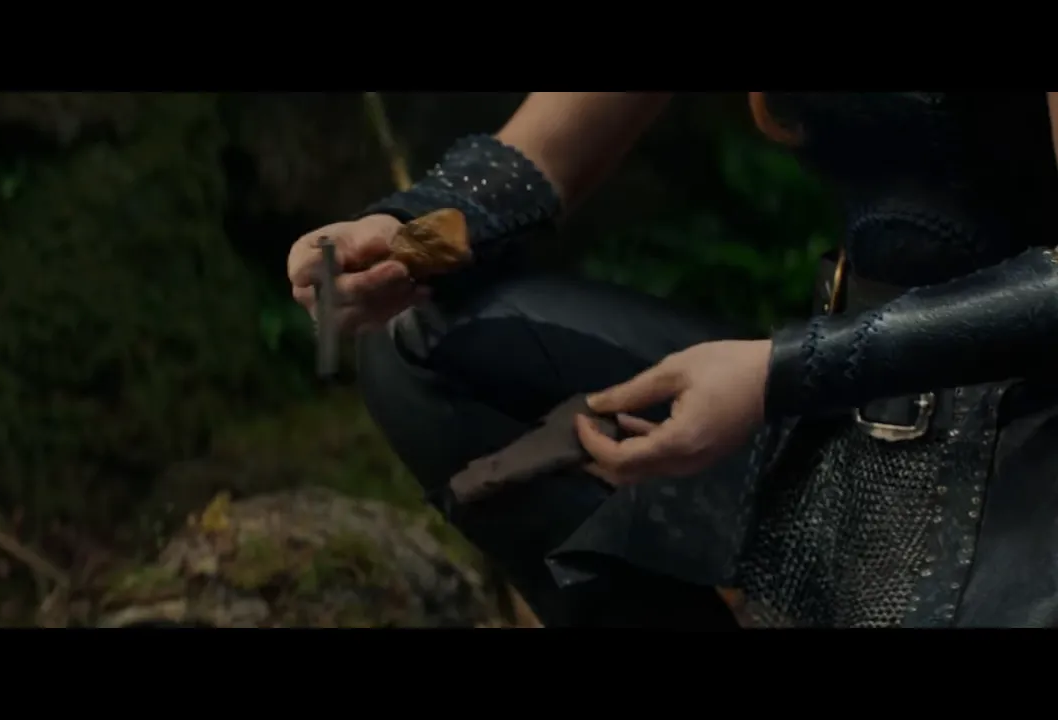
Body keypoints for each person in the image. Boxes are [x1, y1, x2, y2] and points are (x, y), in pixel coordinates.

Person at [285, 93, 1058, 628]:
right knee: (425, 348)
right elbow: (539, 160)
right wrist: (405, 240)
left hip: (1031, 441)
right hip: (844, 419)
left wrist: (777, 373)